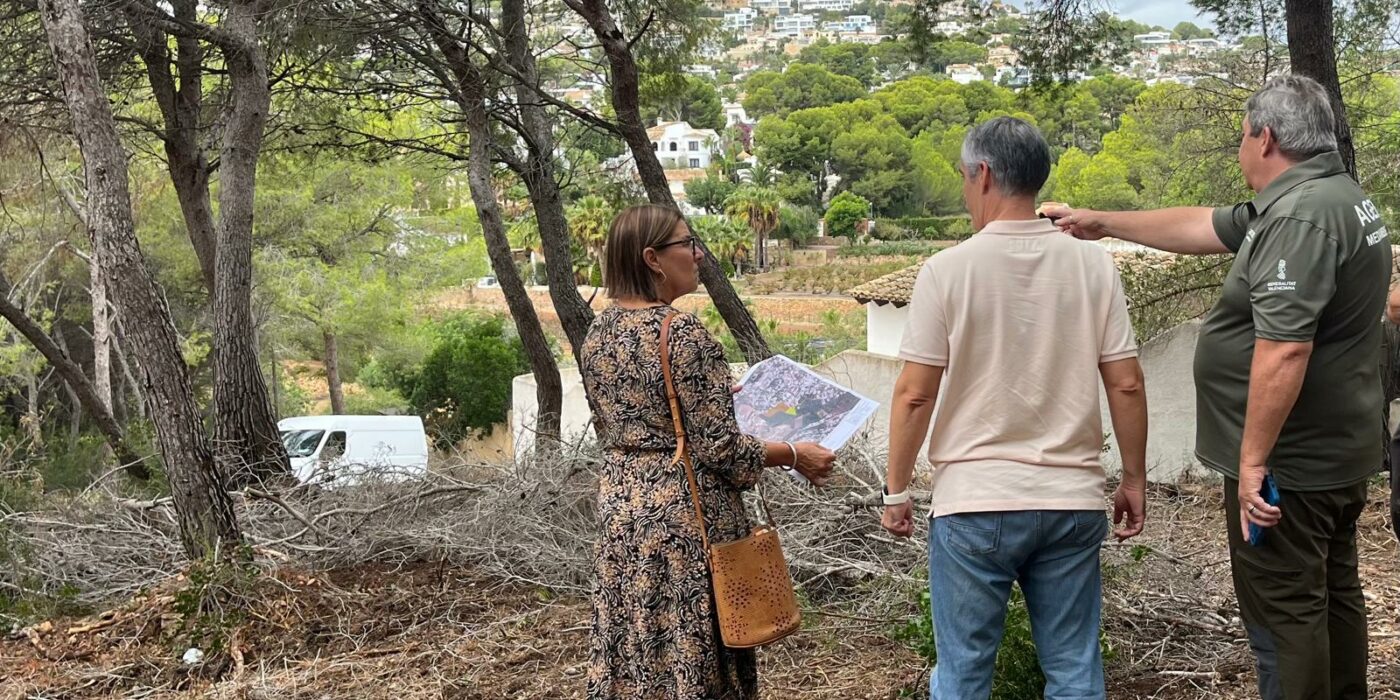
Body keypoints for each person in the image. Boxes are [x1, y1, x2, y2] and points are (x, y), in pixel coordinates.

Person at [1045, 74, 1388, 700]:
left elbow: (1285, 348)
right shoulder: (1330, 196)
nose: (1240, 148)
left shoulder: (1300, 218)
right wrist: (1102, 222)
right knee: (1332, 594)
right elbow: (1203, 226)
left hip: (1290, 465)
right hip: (1335, 449)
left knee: (1284, 613)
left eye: (1243, 136)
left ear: (1266, 138)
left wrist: (1253, 461)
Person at [881, 116, 1149, 700]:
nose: (963, 190)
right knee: (1075, 671)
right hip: (1071, 501)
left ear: (982, 175)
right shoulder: (1095, 266)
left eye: (962, 177)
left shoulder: (947, 270)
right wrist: (1133, 478)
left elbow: (915, 393)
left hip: (974, 501)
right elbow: (1126, 384)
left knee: (963, 674)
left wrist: (896, 491)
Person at [580, 204, 837, 700]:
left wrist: (711, 398)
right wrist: (794, 453)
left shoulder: (599, 332)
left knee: (636, 647)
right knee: (694, 656)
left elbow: (635, 417)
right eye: (687, 244)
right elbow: (723, 449)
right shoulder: (682, 333)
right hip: (686, 525)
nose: (698, 254)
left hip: (622, 516)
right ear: (653, 258)